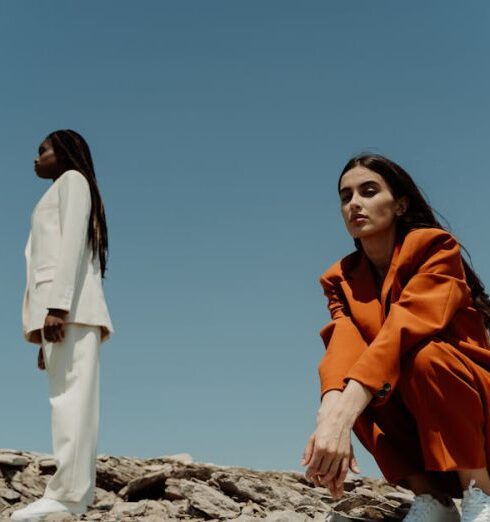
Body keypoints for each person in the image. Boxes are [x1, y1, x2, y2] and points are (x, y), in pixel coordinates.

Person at [302, 154, 490, 522]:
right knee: (348, 381)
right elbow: (344, 342)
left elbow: (406, 326)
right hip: (425, 432)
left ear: (400, 204)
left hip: (479, 414)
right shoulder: (339, 279)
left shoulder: (435, 248)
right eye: (345, 196)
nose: (354, 203)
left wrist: (344, 409)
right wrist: (331, 413)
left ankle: (479, 492)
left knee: (424, 357)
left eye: (368, 191)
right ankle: (433, 500)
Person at [12, 130, 114, 521]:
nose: (35, 158)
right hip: (61, 315)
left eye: (43, 150)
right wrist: (44, 327)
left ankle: (68, 496)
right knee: (65, 402)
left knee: (73, 403)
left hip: (70, 310)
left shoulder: (73, 182)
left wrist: (57, 307)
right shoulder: (57, 191)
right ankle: (69, 492)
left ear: (65, 153)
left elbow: (71, 245)